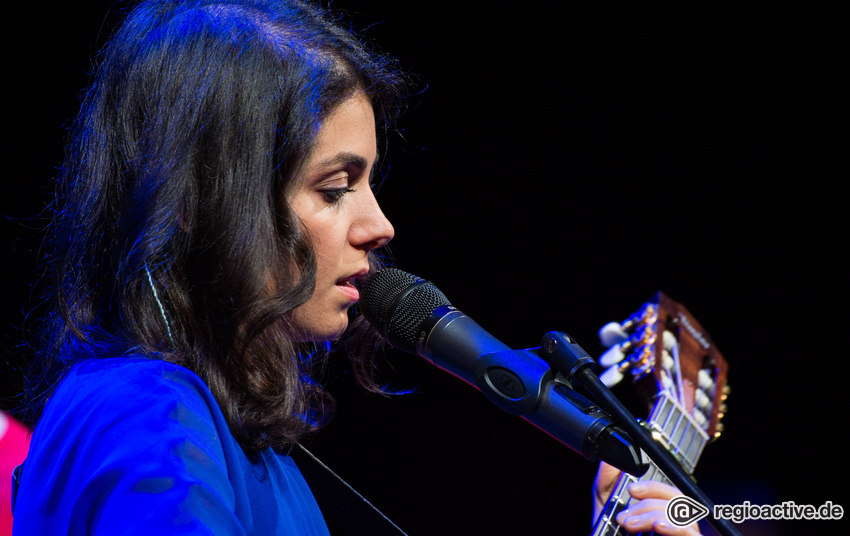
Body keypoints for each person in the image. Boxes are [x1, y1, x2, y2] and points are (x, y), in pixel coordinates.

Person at [11, 1, 699, 534]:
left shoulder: (242, 443)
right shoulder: (147, 416)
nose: (379, 225)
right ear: (200, 203)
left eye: (370, 184)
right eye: (335, 188)